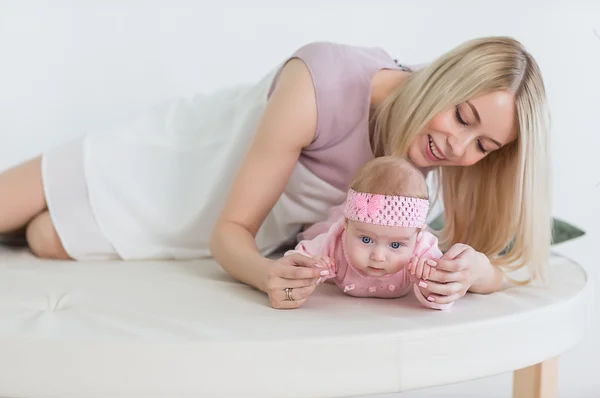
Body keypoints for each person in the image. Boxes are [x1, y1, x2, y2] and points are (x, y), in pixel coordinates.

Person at [0, 37, 551, 310]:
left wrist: (475, 272)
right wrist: (266, 276)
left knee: (47, 239)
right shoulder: (324, 82)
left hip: (208, 226)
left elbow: (481, 267)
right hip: (174, 161)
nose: (457, 146)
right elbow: (230, 232)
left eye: (483, 145)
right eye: (462, 116)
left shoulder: (422, 169)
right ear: (443, 78)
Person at [284, 156, 453, 310]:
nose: (378, 256)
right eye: (366, 239)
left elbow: (444, 295)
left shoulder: (423, 253)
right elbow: (294, 262)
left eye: (395, 245)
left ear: (417, 236)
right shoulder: (334, 241)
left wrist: (427, 282)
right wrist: (312, 268)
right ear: (347, 225)